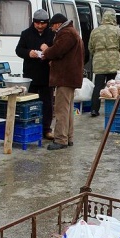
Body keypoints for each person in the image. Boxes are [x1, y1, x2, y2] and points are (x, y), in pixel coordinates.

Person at [40, 13, 84, 150]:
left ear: (57, 24)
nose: (52, 29)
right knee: (68, 109)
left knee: (61, 110)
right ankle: (68, 138)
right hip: (70, 77)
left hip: (65, 78)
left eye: (52, 26)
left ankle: (60, 139)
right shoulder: (72, 32)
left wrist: (46, 51)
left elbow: (58, 50)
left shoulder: (66, 33)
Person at [15, 9, 55, 140]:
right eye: (37, 23)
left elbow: (56, 51)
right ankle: (29, 126)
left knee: (47, 103)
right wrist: (28, 53)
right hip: (30, 75)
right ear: (33, 22)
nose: (40, 26)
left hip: (46, 75)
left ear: (47, 23)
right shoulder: (26, 34)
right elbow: (19, 50)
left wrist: (47, 54)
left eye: (43, 23)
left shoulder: (51, 34)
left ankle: (46, 129)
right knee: (29, 103)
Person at [88, 9, 120, 117]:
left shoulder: (95, 31)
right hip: (114, 61)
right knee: (113, 86)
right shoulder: (117, 30)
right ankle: (112, 110)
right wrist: (118, 55)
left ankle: (94, 109)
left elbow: (90, 47)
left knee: (98, 86)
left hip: (99, 61)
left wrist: (98, 54)